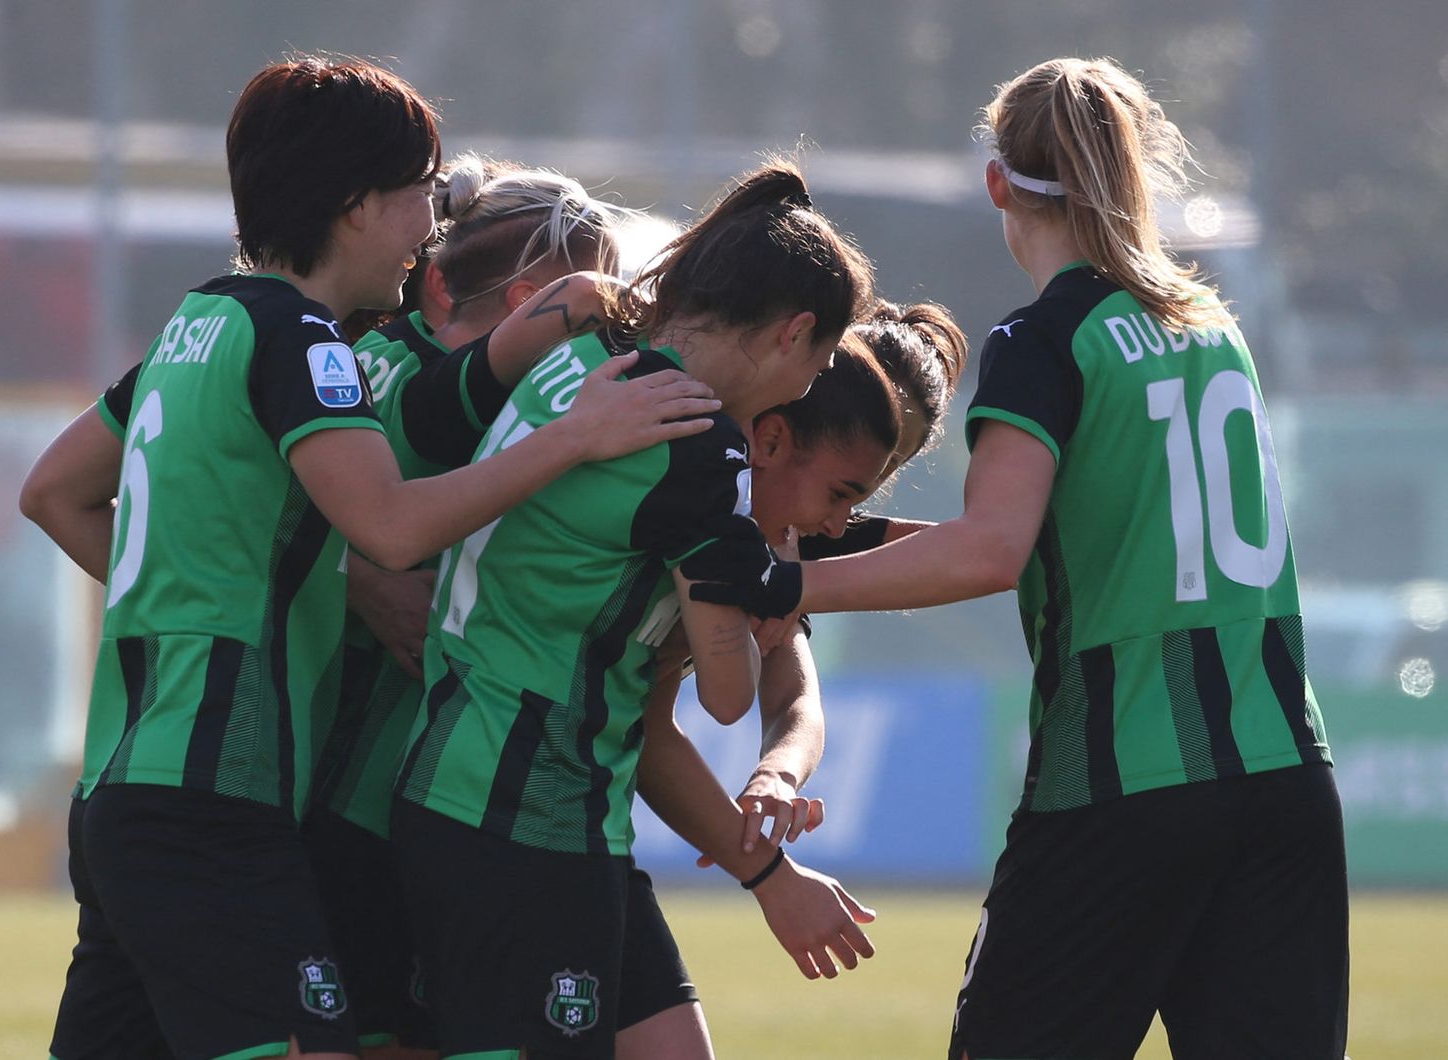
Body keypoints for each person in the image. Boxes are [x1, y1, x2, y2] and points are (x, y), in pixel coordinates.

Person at [22, 56, 719, 1060]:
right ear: (356, 204)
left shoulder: (198, 321)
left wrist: (251, 591)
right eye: (418, 197)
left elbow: (53, 490)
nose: (429, 229)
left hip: (127, 780)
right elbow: (390, 527)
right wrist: (570, 437)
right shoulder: (304, 341)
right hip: (220, 793)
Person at [687, 57, 1348, 1060]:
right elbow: (1069, 540)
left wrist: (786, 580)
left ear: (999, 183)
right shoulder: (1214, 330)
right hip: (1288, 777)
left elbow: (991, 551)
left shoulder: (1046, 338)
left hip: (1123, 785)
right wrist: (828, 552)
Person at [390, 161, 874, 1059]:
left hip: (474, 780)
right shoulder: (695, 439)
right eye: (817, 365)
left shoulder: (588, 349)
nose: (806, 392)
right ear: (795, 332)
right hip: (522, 808)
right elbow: (729, 694)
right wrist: (765, 590)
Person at [306, 153, 629, 1058]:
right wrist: (360, 580)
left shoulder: (521, 397)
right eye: (549, 304)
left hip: (429, 796)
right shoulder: (399, 376)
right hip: (361, 795)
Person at [623, 305, 967, 1058]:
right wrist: (770, 874)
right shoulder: (705, 498)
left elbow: (795, 698)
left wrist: (776, 775)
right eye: (848, 487)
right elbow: (655, 723)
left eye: (882, 479)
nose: (847, 522)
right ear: (783, 422)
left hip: (575, 821)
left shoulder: (788, 527)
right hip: (508, 809)